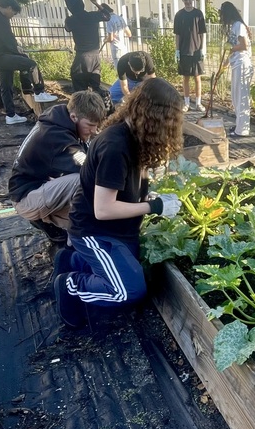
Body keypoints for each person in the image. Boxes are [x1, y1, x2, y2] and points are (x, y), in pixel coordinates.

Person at [53, 78, 184, 328]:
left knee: (132, 273)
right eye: (170, 123)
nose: (171, 131)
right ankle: (69, 285)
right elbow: (103, 210)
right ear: (155, 117)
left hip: (119, 231)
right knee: (128, 290)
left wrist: (147, 197)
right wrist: (154, 207)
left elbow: (125, 189)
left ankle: (73, 261)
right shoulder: (116, 145)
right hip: (95, 230)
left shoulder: (135, 136)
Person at [8, 90, 111, 245]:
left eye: (96, 126)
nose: (94, 131)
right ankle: (71, 243)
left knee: (91, 220)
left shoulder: (60, 119)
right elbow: (89, 171)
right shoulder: (57, 138)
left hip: (39, 188)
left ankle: (53, 225)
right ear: (74, 117)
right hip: (25, 198)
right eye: (90, 125)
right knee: (81, 182)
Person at [0, 0, 58, 125]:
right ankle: (39, 92)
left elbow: (5, 37)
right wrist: (17, 49)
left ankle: (11, 115)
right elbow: (7, 38)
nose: (13, 15)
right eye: (13, 12)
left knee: (6, 87)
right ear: (8, 7)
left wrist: (16, 47)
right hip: (1, 56)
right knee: (31, 64)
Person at [63, 0, 113, 95]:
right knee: (95, 86)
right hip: (95, 56)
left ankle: (81, 107)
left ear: (69, 7)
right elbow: (107, 16)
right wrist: (96, 4)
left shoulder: (71, 20)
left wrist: (68, 17)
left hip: (81, 57)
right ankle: (98, 107)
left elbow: (67, 28)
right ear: (82, 4)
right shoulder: (92, 15)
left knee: (80, 88)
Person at [219, 2, 253, 136]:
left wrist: (230, 48)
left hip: (242, 65)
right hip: (236, 64)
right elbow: (233, 48)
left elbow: (243, 45)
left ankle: (242, 130)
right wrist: (225, 64)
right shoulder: (235, 26)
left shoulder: (238, 25)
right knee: (235, 97)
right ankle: (239, 125)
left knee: (241, 98)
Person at [173, 0, 206, 112]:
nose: (188, 2)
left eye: (190, 0)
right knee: (186, 77)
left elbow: (202, 33)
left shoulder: (198, 14)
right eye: (185, 0)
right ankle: (186, 103)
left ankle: (198, 103)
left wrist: (202, 49)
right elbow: (177, 34)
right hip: (184, 50)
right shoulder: (179, 15)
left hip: (197, 50)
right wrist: (177, 50)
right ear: (182, 0)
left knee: (197, 77)